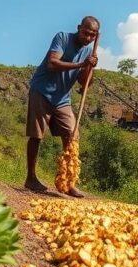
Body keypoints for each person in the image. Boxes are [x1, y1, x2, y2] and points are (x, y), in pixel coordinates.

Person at [24, 16, 99, 198]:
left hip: (62, 99)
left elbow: (83, 83)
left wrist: (90, 68)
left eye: (92, 35)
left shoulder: (88, 51)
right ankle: (31, 178)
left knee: (72, 135)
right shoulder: (62, 38)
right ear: (79, 28)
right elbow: (52, 63)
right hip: (41, 91)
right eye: (85, 33)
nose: (88, 38)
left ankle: (67, 182)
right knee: (36, 135)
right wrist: (81, 64)